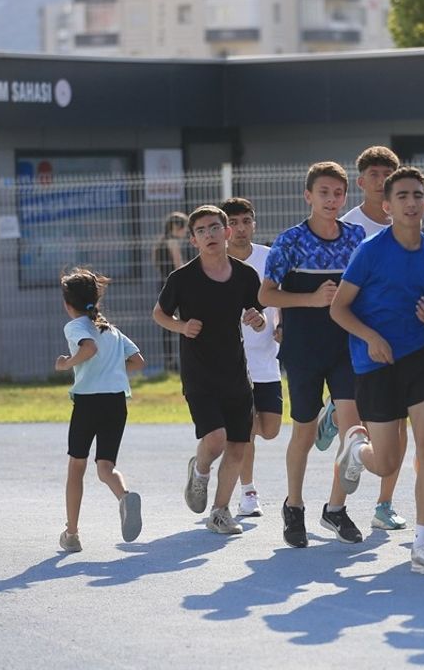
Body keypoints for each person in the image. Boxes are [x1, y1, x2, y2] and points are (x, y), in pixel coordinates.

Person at [329, 167, 424, 575]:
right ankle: (354, 447)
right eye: (401, 196)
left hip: (421, 358)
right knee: (384, 463)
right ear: (386, 206)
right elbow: (339, 308)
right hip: (376, 362)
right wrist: (370, 337)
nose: (411, 202)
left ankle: (421, 546)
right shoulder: (369, 251)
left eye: (417, 195)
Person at [260, 162, 367, 548]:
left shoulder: (356, 237)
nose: (331, 199)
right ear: (308, 196)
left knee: (353, 428)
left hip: (346, 344)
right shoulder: (289, 241)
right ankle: (295, 506)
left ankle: (335, 509)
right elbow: (266, 294)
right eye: (323, 192)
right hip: (303, 348)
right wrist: (310, 298)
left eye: (338, 193)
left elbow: (366, 285)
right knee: (304, 431)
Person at [152, 205, 267, 536]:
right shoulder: (182, 278)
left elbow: (257, 314)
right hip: (199, 373)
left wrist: (257, 320)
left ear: (227, 232)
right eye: (201, 230)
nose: (210, 234)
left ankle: (220, 511)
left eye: (215, 227)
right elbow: (159, 314)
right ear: (193, 240)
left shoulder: (245, 275)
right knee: (215, 440)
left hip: (235, 373)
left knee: (237, 446)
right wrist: (182, 326)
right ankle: (200, 471)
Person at [336, 145, 410, 533]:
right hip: (358, 339)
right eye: (375, 174)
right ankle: (335, 416)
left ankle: (384, 503)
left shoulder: (409, 221)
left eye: (388, 174)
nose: (381, 181)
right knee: (364, 420)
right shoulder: (349, 228)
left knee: (398, 429)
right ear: (361, 181)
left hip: (404, 342)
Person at [55, 269, 147, 552]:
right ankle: (124, 496)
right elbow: (138, 361)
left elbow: (89, 348)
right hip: (116, 402)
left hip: (88, 402)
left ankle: (72, 533)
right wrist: (114, 371)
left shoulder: (75, 326)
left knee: (76, 467)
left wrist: (67, 363)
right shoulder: (112, 330)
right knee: (106, 468)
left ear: (68, 304)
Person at [221, 197, 282, 518]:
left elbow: (281, 297)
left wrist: (280, 323)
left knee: (270, 428)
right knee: (244, 428)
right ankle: (248, 491)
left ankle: (231, 433)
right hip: (230, 363)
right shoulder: (214, 263)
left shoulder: (270, 258)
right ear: (224, 228)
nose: (240, 229)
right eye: (234, 223)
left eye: (246, 221)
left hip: (267, 360)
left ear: (253, 224)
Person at [153, 212, 190, 371]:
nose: (186, 232)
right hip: (174, 286)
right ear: (175, 227)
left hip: (163, 284)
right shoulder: (173, 242)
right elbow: (179, 266)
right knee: (182, 320)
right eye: (184, 228)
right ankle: (178, 361)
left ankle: (169, 360)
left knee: (166, 322)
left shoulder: (161, 242)